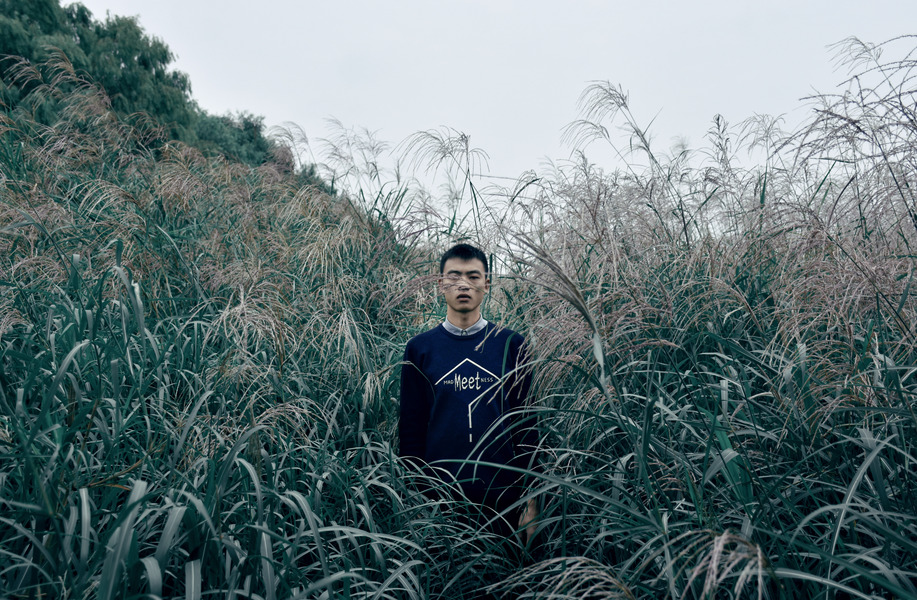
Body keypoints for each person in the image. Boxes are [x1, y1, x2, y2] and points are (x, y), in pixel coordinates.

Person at [399, 243, 539, 544]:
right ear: (441, 284)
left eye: (473, 277)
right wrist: (415, 499)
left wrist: (531, 500)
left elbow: (527, 427)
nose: (463, 284)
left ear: (486, 284)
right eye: (454, 276)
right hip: (438, 501)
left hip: (505, 500)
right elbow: (411, 430)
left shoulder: (512, 345)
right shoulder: (420, 349)